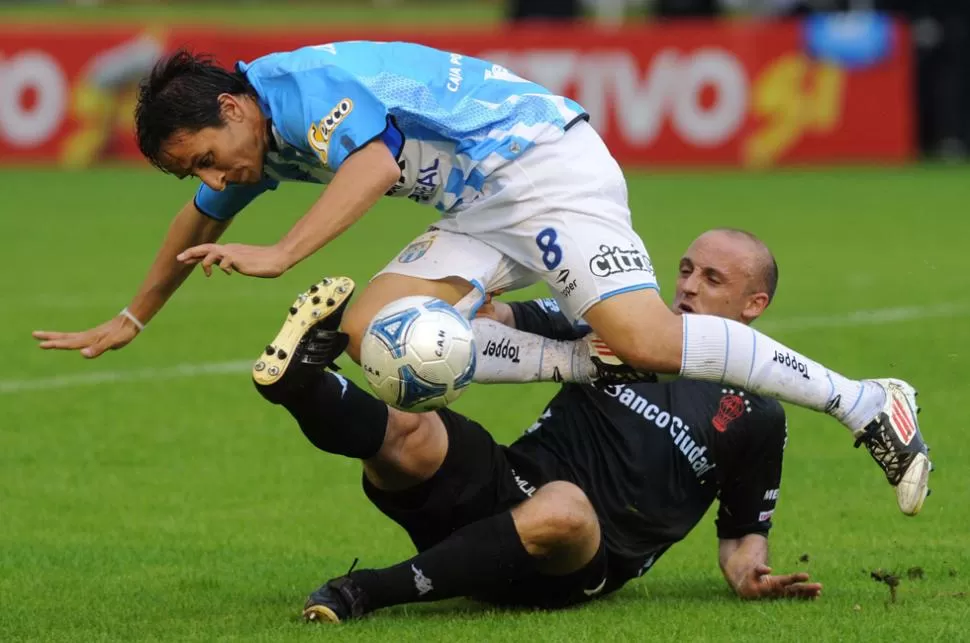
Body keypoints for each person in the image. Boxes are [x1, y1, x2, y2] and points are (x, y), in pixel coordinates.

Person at [30, 43, 929, 514]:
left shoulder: (304, 90)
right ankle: (584, 361)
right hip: (477, 206)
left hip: (543, 166)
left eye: (210, 156)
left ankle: (866, 403)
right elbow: (198, 221)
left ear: (231, 108)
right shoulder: (248, 138)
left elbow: (378, 163)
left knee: (652, 338)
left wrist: (281, 254)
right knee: (370, 329)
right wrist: (131, 317)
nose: (217, 177)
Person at [254, 229, 822, 623]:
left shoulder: (757, 415)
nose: (689, 285)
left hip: (578, 559)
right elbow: (501, 318)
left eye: (713, 278)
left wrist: (750, 575)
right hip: (507, 483)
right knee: (413, 425)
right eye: (686, 269)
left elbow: (742, 538)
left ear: (754, 304)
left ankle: (364, 591)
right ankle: (302, 383)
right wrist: (467, 299)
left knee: (565, 508)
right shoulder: (618, 329)